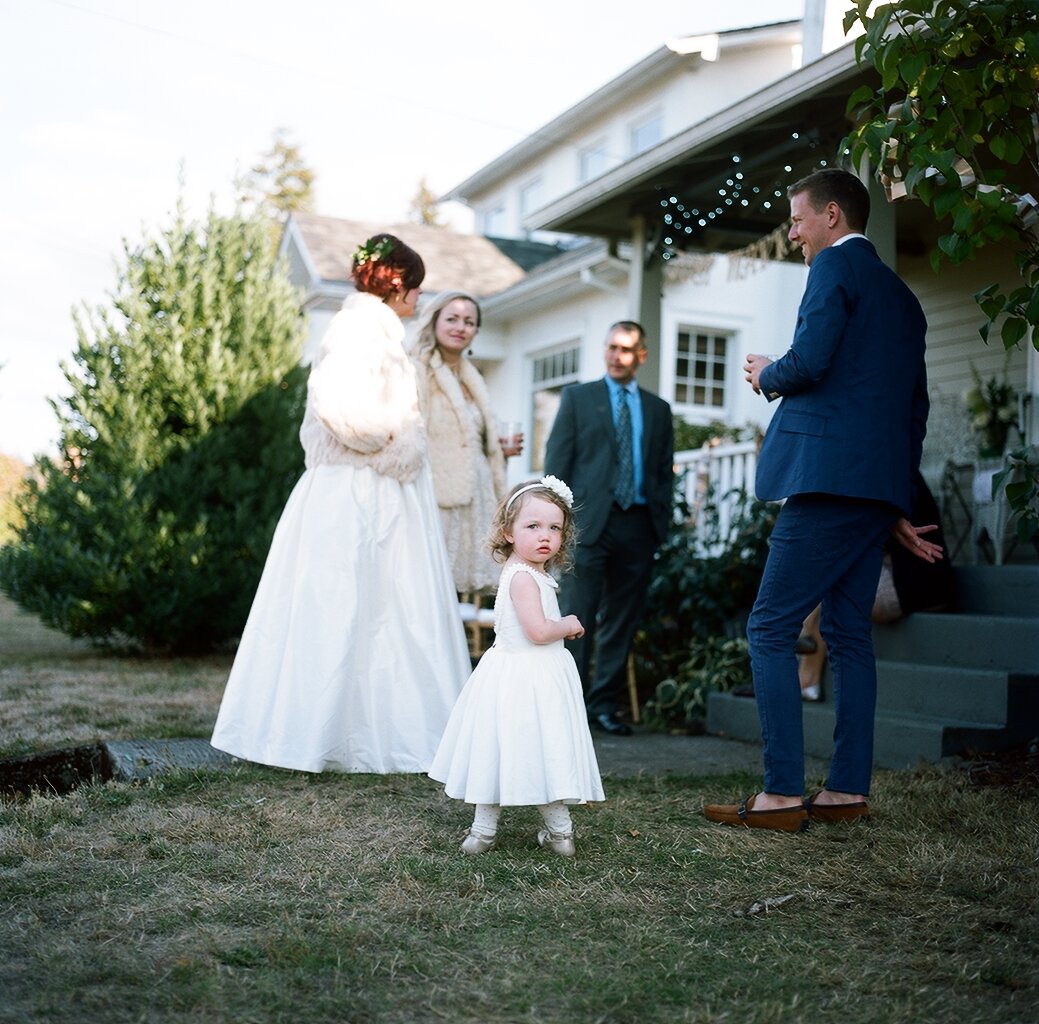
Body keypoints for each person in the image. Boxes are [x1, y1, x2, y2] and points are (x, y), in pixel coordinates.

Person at [704, 168, 943, 833]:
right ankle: (843, 791)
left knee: (770, 626)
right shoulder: (903, 298)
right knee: (845, 634)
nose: (792, 230)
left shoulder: (833, 273)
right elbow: (911, 412)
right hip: (871, 489)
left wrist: (764, 374)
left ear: (832, 215)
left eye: (797, 217)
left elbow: (807, 363)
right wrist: (889, 498)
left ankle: (781, 793)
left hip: (825, 481)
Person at [211, 234, 470, 774]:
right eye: (416, 288)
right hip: (355, 489)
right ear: (395, 283)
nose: (420, 300)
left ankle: (373, 733)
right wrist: (396, 441)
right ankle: (318, 736)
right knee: (338, 605)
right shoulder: (357, 328)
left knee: (385, 610)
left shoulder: (379, 331)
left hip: (373, 487)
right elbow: (340, 408)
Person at [429, 476, 605, 857]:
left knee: (519, 749)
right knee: (536, 750)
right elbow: (539, 631)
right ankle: (553, 834)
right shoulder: (524, 577)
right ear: (508, 531)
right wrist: (568, 624)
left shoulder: (532, 572)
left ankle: (491, 833)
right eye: (533, 526)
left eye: (554, 528)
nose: (545, 536)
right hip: (523, 679)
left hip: (529, 677)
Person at [544, 321, 674, 736]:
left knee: (623, 620)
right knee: (577, 616)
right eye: (612, 347)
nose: (617, 355)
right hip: (587, 525)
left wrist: (660, 523)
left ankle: (603, 708)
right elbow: (557, 464)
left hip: (638, 525)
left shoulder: (658, 409)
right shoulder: (578, 398)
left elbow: (662, 472)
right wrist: (556, 523)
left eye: (626, 349)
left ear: (642, 356)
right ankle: (568, 705)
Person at [797, 468, 956, 700]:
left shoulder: (894, 482)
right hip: (904, 578)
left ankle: (806, 672)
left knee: (833, 583)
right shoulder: (890, 475)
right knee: (831, 577)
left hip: (919, 585)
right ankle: (806, 671)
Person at [411, 290, 519, 593]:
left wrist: (500, 450)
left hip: (478, 494)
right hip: (438, 495)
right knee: (430, 585)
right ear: (434, 322)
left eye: (469, 322)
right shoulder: (418, 370)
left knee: (461, 591)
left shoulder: (473, 377)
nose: (461, 327)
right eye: (452, 319)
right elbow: (412, 432)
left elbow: (474, 441)